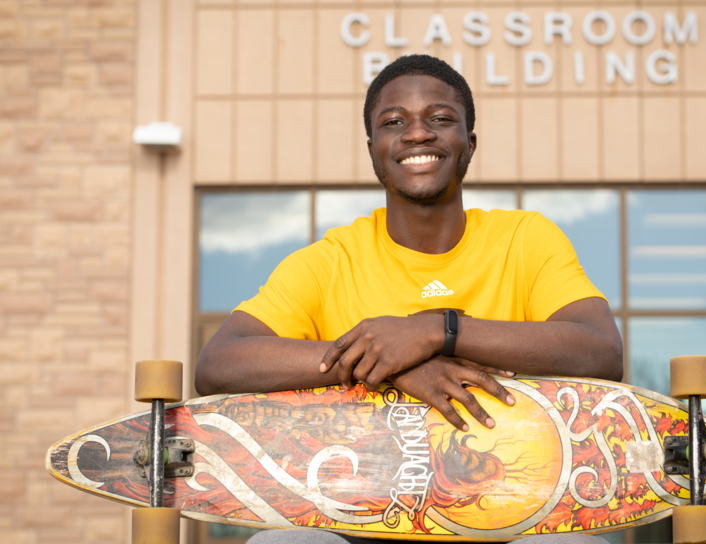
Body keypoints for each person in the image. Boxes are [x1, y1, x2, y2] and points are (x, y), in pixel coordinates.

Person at [196, 54, 622, 544]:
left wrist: (437, 330)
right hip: (359, 525)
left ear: (470, 144)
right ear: (374, 148)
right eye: (394, 122)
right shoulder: (331, 259)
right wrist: (385, 365)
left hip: (510, 523)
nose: (418, 133)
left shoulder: (524, 239)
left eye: (440, 119)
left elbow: (602, 351)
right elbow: (219, 363)